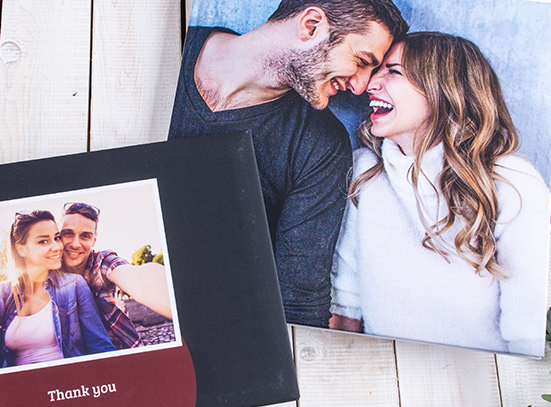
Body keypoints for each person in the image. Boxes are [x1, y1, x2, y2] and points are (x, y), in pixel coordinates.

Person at [168, 0, 408, 327]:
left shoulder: (321, 146)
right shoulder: (162, 48)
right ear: (311, 25)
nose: (360, 86)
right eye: (362, 61)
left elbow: (299, 302)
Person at [329, 32, 550, 356]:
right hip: (387, 381)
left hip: (485, 386)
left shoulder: (510, 181)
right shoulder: (365, 173)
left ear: (444, 91)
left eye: (394, 71)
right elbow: (345, 307)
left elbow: (528, 333)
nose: (371, 83)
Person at [0, 210, 115, 371]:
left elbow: (100, 347)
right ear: (22, 250)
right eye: (43, 241)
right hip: (19, 390)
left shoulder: (74, 286)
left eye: (56, 238)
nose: (56, 247)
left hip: (69, 386)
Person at [60, 202, 172, 350]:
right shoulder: (47, 275)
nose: (75, 244)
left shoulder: (102, 263)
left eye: (85, 236)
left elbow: (138, 278)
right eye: (68, 234)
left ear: (94, 240)